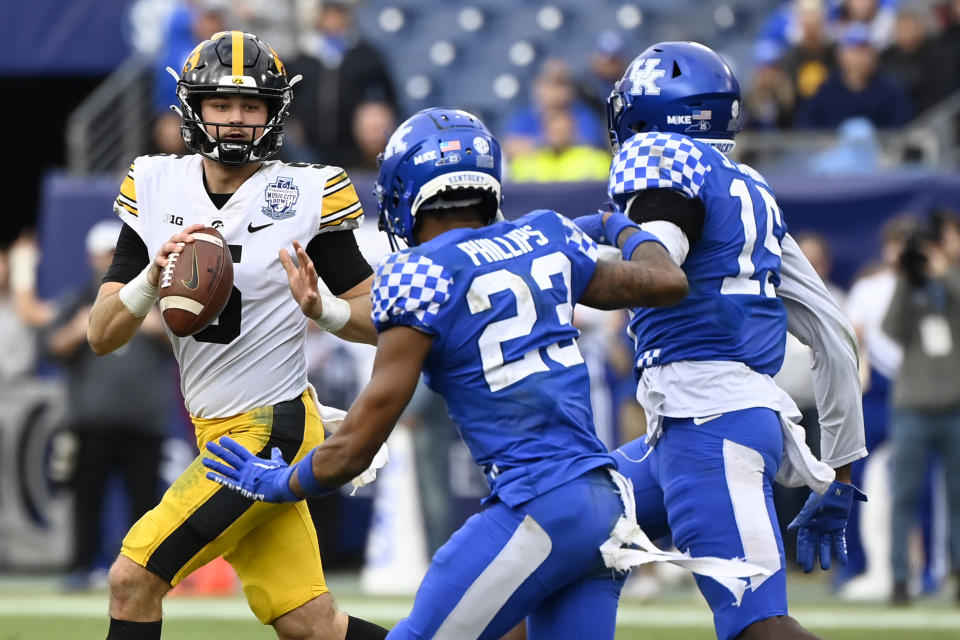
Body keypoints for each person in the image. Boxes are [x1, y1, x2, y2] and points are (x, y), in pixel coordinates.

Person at [201, 108, 749, 640]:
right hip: (604, 503)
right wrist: (615, 222)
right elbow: (667, 280)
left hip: (536, 505)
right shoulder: (548, 237)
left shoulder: (419, 273)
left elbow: (358, 444)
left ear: (405, 193)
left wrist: (282, 483)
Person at [86, 31, 388, 640]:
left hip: (270, 426)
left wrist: (322, 308)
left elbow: (382, 321)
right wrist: (151, 277)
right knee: (313, 626)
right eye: (221, 104)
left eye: (251, 106)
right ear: (192, 108)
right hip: (216, 429)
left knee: (132, 578)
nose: (236, 120)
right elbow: (101, 334)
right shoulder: (154, 184)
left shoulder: (307, 192)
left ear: (273, 113)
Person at [582, 41, 868, 640]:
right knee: (558, 544)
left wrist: (553, 266)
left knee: (760, 629)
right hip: (687, 426)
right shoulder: (749, 191)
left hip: (710, 422)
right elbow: (834, 334)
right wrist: (841, 473)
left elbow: (659, 271)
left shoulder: (661, 159)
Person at [42, 220, 174, 591]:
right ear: (91, 258)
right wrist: (82, 328)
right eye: (104, 254)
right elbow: (50, 347)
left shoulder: (157, 297)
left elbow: (186, 340)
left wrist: (158, 326)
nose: (110, 261)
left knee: (145, 505)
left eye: (116, 254)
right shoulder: (79, 298)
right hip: (92, 420)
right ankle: (82, 566)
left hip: (144, 421)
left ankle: (146, 572)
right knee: (87, 498)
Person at [882, 211, 960, 605]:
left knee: (958, 495)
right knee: (905, 494)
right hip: (912, 405)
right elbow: (891, 330)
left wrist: (943, 272)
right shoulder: (911, 283)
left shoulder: (953, 279)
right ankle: (899, 577)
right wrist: (906, 277)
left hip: (955, 406)